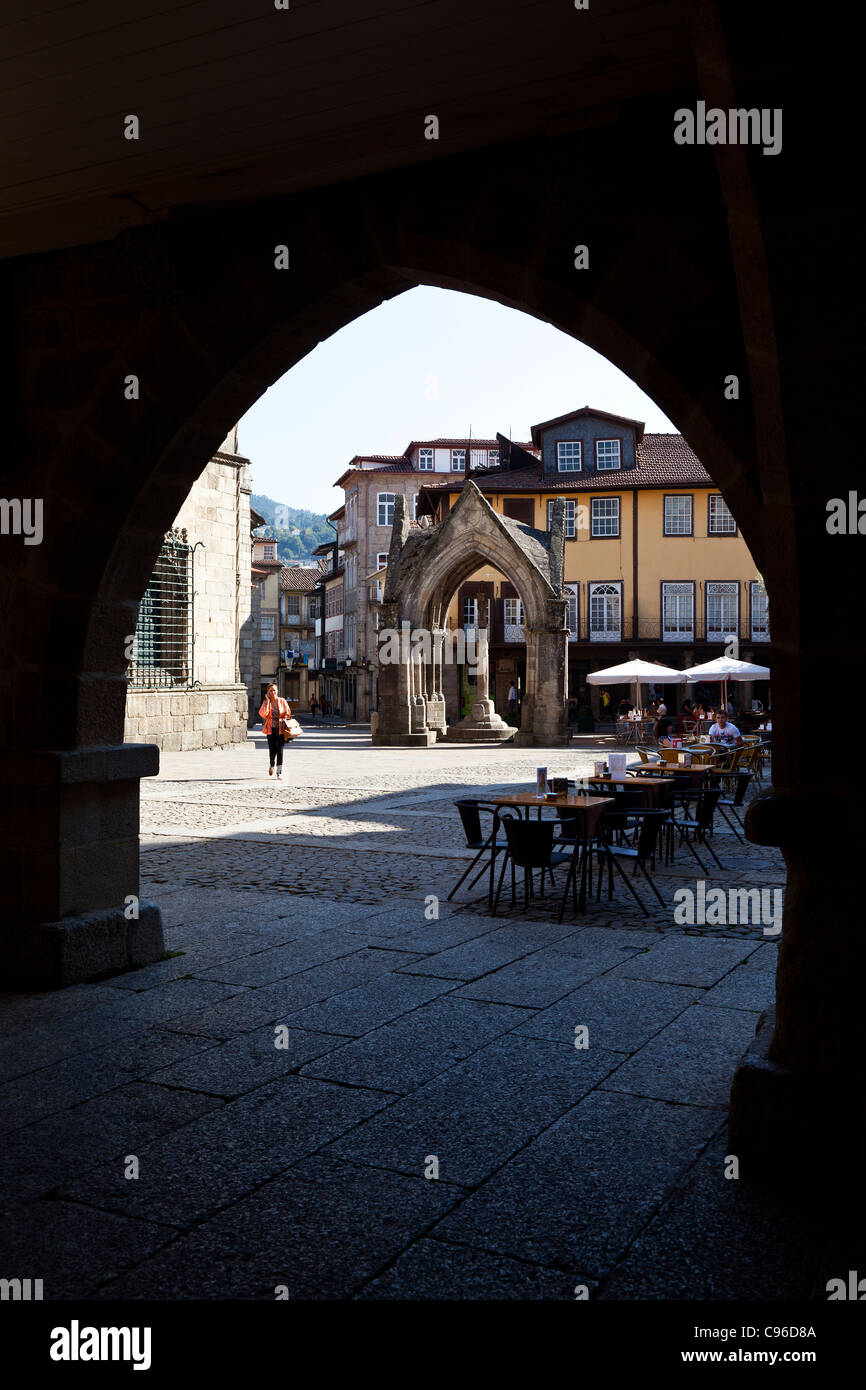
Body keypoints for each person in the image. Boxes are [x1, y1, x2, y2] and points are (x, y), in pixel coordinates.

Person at [258, 682, 292, 778]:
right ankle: (272, 765)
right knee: (272, 751)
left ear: (277, 691)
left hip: (281, 730)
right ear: (268, 692)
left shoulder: (282, 701)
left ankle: (279, 772)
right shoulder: (266, 702)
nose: (273, 692)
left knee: (280, 751)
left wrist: (285, 713)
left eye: (274, 690)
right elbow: (263, 714)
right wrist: (268, 701)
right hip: (270, 730)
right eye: (271, 690)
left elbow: (288, 712)